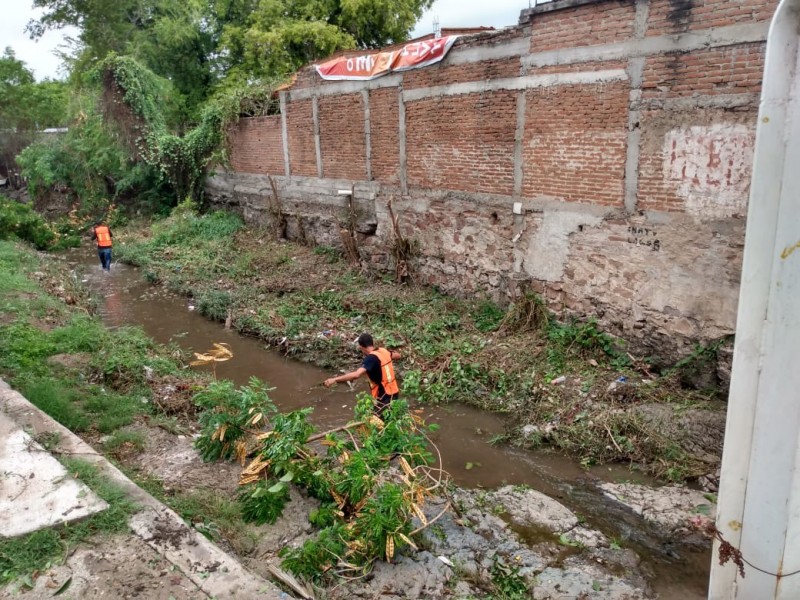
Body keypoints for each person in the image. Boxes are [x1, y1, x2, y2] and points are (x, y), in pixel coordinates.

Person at [324, 333, 401, 415]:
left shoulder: (370, 359)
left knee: (374, 422)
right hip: (394, 391)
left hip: (384, 395)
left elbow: (356, 375)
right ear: (372, 343)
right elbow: (398, 356)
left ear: (361, 346)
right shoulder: (383, 351)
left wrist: (334, 379)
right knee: (390, 418)